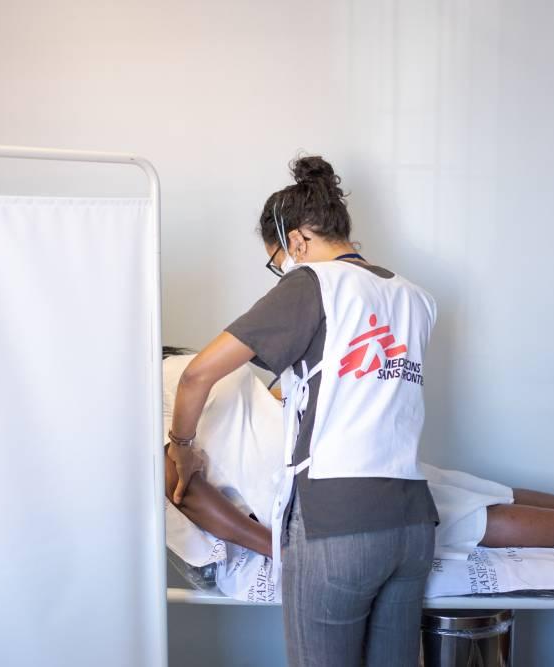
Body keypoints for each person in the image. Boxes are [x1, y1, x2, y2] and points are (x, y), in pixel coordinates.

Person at [166, 156, 443, 667]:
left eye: (277, 260)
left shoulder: (312, 281)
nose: (281, 272)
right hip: (411, 524)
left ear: (296, 242)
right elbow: (347, 382)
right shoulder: (417, 300)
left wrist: (183, 450)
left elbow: (197, 374)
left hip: (337, 522)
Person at [162, 351, 554, 571]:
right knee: (451, 511)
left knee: (456, 482)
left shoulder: (169, 362)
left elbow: (258, 403)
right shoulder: (132, 414)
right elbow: (184, 493)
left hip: (332, 453)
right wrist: (280, 551)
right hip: (301, 491)